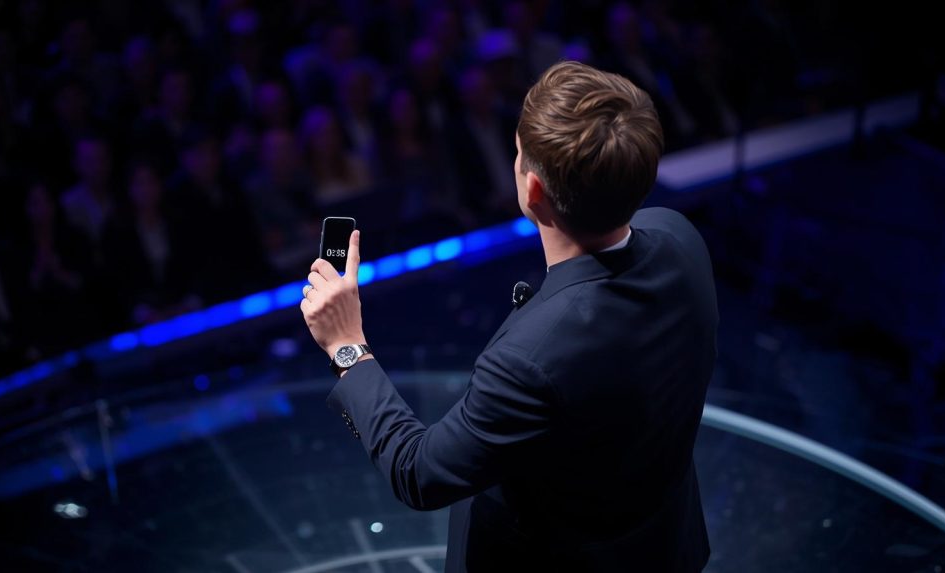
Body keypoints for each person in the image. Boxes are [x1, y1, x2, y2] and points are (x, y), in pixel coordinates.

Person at [299, 61, 717, 572]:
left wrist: (347, 346)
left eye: (517, 155)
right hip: (661, 549)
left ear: (533, 189)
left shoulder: (530, 359)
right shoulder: (681, 239)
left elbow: (419, 471)